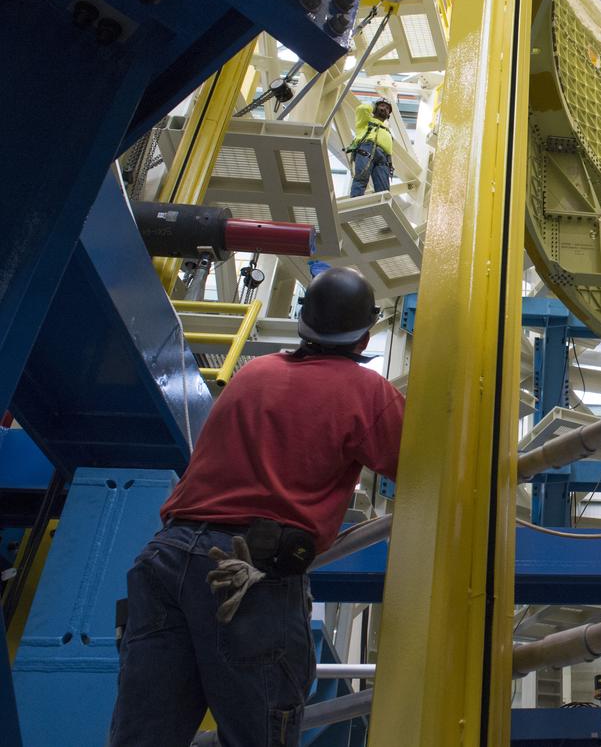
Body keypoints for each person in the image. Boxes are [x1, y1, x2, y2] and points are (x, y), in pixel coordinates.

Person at [108, 267, 404, 747]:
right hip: (244, 575)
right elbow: (420, 465)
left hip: (167, 558)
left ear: (303, 323)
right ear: (365, 335)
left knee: (142, 737)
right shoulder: (365, 391)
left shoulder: (254, 372)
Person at [347, 96, 394, 197]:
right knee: (361, 178)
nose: (384, 109)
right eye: (382, 106)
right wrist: (373, 106)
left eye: (387, 109)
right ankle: (355, 200)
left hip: (384, 158)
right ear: (375, 108)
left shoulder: (386, 130)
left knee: (384, 189)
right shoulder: (366, 121)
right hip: (367, 149)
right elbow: (362, 109)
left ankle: (382, 209)